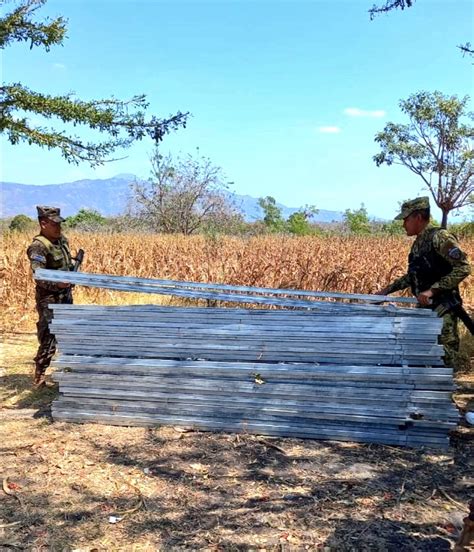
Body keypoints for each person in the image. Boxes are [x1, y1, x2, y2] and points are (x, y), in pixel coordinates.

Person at [378, 196, 471, 367]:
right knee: (425, 357)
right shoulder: (418, 244)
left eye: (406, 219)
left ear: (418, 217)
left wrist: (433, 290)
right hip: (425, 310)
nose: (403, 224)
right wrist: (386, 291)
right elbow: (412, 276)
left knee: (444, 359)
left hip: (444, 310)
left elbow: (463, 267)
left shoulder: (440, 237)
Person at [27, 206, 74, 387]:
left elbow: (66, 264)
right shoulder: (38, 247)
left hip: (65, 295)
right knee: (49, 337)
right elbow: (38, 275)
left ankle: (66, 371)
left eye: (59, 224)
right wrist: (57, 284)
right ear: (43, 223)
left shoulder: (62, 241)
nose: (58, 228)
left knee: (68, 333)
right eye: (54, 224)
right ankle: (40, 375)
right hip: (49, 299)